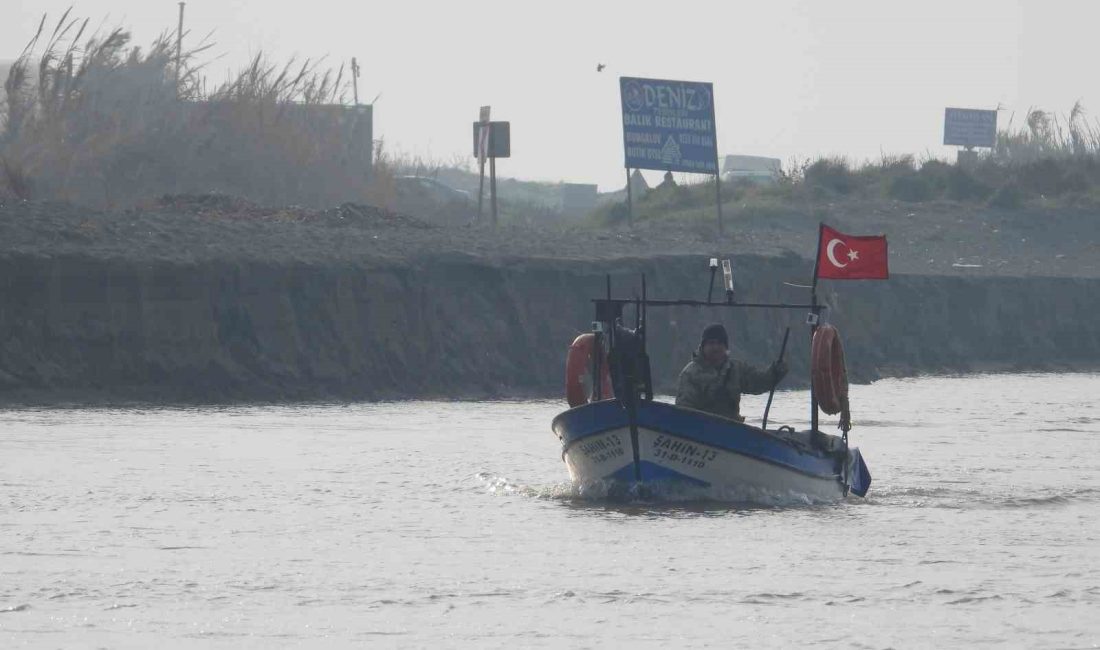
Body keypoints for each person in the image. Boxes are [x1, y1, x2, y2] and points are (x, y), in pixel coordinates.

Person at [675, 323, 787, 422]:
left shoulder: (736, 369)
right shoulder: (690, 374)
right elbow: (684, 410)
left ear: (725, 346)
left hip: (732, 430)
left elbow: (758, 383)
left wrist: (775, 372)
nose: (715, 347)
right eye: (711, 343)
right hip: (700, 430)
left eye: (720, 343)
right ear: (703, 346)